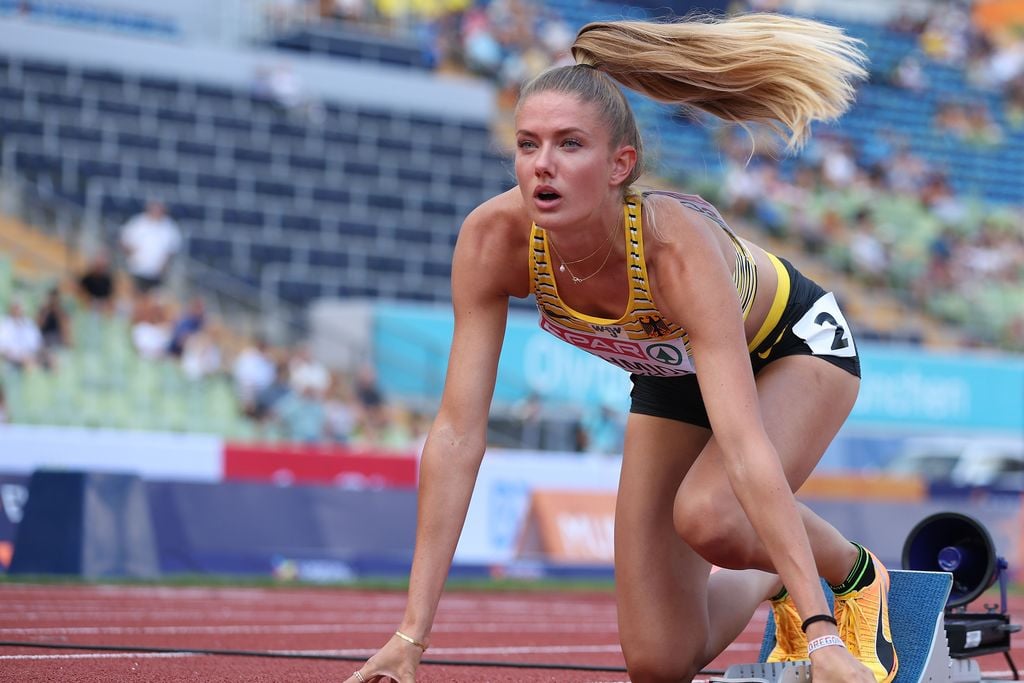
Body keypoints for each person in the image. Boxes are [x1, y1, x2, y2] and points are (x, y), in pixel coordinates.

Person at [348, 13, 895, 683]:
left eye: (569, 144)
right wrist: (411, 634)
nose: (542, 164)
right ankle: (769, 579)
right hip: (673, 371)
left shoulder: (674, 249)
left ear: (620, 165)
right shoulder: (492, 241)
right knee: (658, 663)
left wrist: (821, 639)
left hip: (793, 346)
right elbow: (458, 434)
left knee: (712, 512)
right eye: (527, 144)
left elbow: (747, 447)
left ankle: (857, 575)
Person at [118, 200, 182, 297]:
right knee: (134, 296)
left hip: (157, 273)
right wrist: (129, 253)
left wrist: (166, 264)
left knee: (153, 299)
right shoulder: (137, 222)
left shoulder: (169, 227)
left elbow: (173, 249)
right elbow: (123, 240)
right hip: (136, 268)